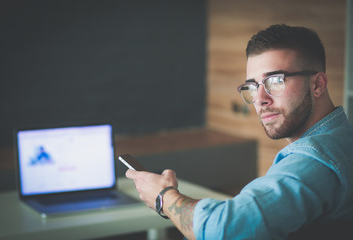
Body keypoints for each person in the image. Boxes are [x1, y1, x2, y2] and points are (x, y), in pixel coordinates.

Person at [126, 24, 353, 239]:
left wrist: (164, 197)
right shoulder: (342, 138)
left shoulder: (317, 160)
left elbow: (225, 230)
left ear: (318, 85)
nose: (260, 99)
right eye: (252, 86)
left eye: (275, 81)